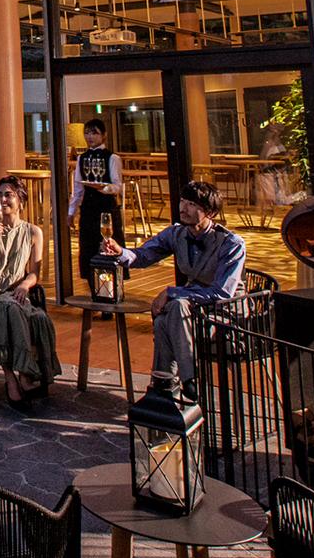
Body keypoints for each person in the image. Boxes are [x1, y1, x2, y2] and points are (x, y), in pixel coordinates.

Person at [101, 179, 245, 403]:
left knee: (173, 308)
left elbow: (222, 293)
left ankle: (171, 383)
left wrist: (172, 292)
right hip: (192, 312)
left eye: (192, 204)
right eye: (182, 201)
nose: (183, 208)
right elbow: (144, 255)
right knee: (166, 318)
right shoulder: (177, 234)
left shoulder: (231, 243)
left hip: (225, 313)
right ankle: (177, 382)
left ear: (210, 213)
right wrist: (120, 252)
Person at [0, 174, 61, 411]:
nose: (3, 200)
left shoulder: (33, 232)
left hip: (12, 289)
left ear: (21, 201)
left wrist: (25, 286)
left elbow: (34, 273)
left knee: (30, 314)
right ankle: (11, 379)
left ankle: (25, 372)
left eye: (8, 195)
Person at [67, 118, 124, 288]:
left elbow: (117, 186)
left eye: (94, 133)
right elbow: (78, 189)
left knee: (109, 247)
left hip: (106, 207)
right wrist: (71, 212)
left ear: (104, 135)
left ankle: (112, 289)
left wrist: (103, 188)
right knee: (88, 248)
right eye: (87, 133)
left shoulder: (112, 158)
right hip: (88, 208)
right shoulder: (82, 158)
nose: (90, 137)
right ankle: (94, 287)